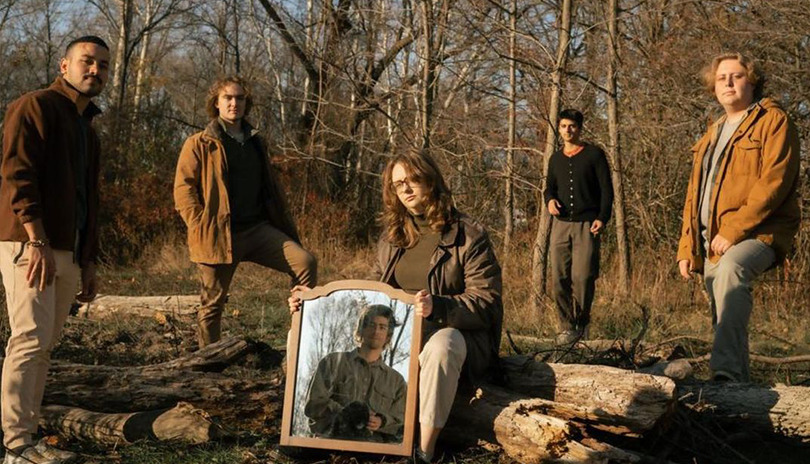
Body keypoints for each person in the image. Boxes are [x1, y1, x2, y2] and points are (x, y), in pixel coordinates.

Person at [291, 149, 502, 463]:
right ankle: (320, 436)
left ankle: (422, 453)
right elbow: (374, 291)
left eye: (412, 180)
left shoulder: (468, 235)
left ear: (431, 181)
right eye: (398, 183)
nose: (405, 189)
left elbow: (487, 301)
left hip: (454, 334)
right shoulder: (393, 237)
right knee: (326, 343)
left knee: (441, 346)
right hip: (401, 334)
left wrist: (440, 306)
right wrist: (315, 300)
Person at [0, 36, 110, 464]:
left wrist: (90, 259)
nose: (95, 69)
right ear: (64, 65)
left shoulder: (88, 129)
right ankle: (14, 446)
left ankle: (26, 439)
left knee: (44, 345)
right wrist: (36, 239)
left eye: (103, 64)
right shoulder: (34, 106)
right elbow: (16, 175)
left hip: (68, 249)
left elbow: (90, 201)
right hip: (31, 242)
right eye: (87, 61)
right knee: (27, 340)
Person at [677, 52, 800, 382]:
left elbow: (773, 184)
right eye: (721, 78)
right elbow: (695, 194)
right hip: (712, 239)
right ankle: (739, 392)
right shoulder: (713, 132)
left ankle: (725, 375)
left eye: (736, 76)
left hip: (761, 233)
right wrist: (687, 247)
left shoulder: (773, 121)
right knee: (722, 312)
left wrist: (733, 230)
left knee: (732, 271)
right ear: (713, 87)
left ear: (753, 81)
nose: (728, 83)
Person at [174, 76, 317, 348]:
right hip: (219, 235)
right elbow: (184, 189)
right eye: (227, 98)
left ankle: (300, 344)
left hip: (257, 229)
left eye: (239, 98)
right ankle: (208, 362)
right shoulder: (200, 143)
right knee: (212, 305)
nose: (234, 103)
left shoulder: (256, 141)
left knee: (305, 262)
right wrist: (199, 223)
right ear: (216, 103)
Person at [543, 109, 614, 344]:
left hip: (587, 225)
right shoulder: (555, 159)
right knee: (559, 277)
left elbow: (606, 190)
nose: (567, 130)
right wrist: (549, 200)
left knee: (583, 276)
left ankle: (582, 325)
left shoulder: (594, 155)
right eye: (563, 126)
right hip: (561, 226)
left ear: (579, 127)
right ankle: (566, 327)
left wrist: (602, 217)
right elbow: (549, 188)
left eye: (571, 126)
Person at [304, 304, 406, 442]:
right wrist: (347, 415)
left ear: (388, 336)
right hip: (331, 443)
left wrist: (382, 421)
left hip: (373, 452)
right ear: (361, 329)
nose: (376, 331)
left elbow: (401, 423)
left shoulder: (397, 381)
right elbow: (314, 404)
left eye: (382, 327)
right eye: (371, 325)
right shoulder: (333, 362)